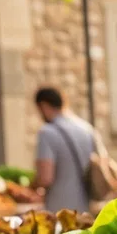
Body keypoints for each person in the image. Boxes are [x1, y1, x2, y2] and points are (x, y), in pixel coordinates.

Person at [32, 86, 98, 214]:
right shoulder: (86, 128)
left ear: (44, 105)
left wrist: (32, 186)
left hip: (60, 208)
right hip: (86, 206)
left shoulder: (47, 132)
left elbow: (46, 177)